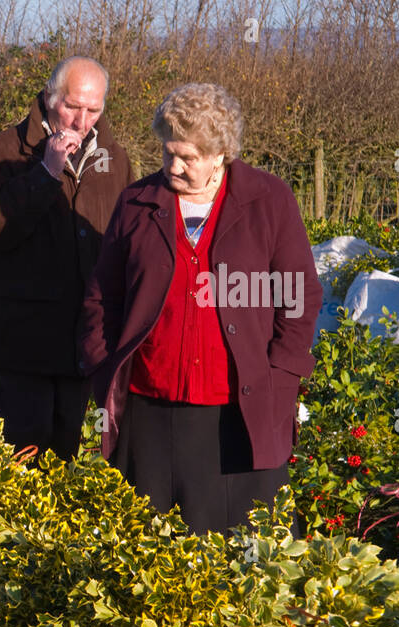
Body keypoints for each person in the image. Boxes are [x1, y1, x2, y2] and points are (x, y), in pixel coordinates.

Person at [78, 83, 322, 536]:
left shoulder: (268, 201)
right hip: (150, 410)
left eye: (188, 157)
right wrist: (102, 362)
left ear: (221, 153)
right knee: (149, 554)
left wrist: (280, 375)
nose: (174, 166)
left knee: (241, 555)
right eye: (168, 153)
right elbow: (102, 296)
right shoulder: (136, 203)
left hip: (238, 413)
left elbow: (299, 295)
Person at [0, 56, 133, 461]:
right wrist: (46, 171)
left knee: (68, 461)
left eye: (94, 109)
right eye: (73, 106)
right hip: (23, 344)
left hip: (84, 341)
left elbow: (126, 240)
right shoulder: (3, 150)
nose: (82, 120)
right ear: (49, 97)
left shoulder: (116, 159)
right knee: (22, 462)